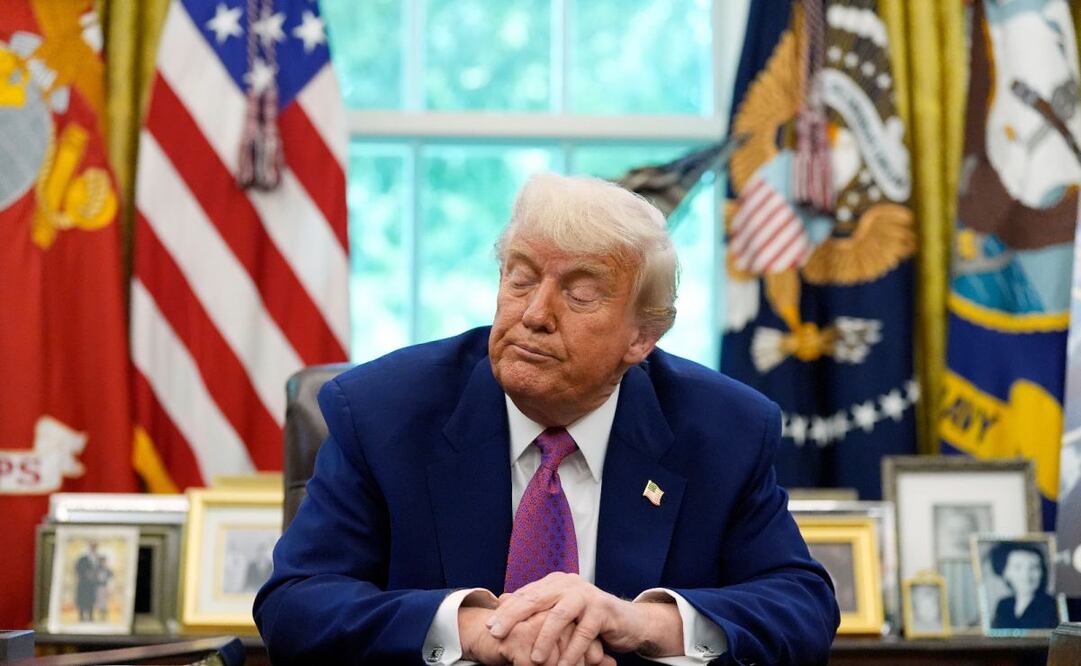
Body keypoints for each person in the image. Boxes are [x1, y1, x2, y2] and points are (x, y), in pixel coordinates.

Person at [254, 173, 840, 665]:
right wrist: (474, 630)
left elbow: (801, 607)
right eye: (522, 277)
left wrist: (638, 621)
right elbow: (296, 605)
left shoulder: (724, 429)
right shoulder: (382, 412)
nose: (535, 314)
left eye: (580, 294)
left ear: (641, 337)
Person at [989, 542, 1060, 630]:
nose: (1026, 575)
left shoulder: (1053, 605)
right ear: (1005, 572)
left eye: (1034, 567)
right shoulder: (1004, 605)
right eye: (1018, 567)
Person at [74, 542, 99, 622]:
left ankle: (90, 616)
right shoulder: (83, 558)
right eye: (92, 547)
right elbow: (77, 568)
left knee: (91, 599)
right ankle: (81, 616)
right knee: (82, 599)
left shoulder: (97, 559)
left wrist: (95, 576)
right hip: (83, 583)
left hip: (92, 584)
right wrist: (86, 573)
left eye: (95, 547)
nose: (94, 549)